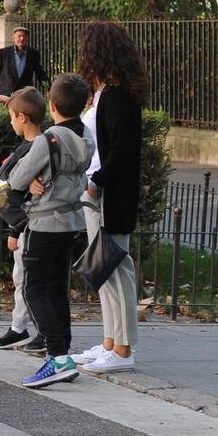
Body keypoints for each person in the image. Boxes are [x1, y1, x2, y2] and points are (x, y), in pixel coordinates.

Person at [5, 73, 94, 389]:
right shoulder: (87, 138)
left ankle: (57, 357)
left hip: (44, 223)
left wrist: (30, 178)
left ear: (52, 105)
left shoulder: (48, 140)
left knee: (33, 289)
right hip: (72, 222)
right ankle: (62, 354)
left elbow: (16, 179)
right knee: (57, 288)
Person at [71, 21, 148, 374]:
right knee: (104, 270)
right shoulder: (103, 93)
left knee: (117, 269)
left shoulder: (117, 96)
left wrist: (96, 182)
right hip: (97, 189)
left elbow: (122, 152)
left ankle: (123, 348)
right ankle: (109, 342)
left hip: (108, 193)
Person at [0, 87, 47, 353]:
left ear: (22, 118)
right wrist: (7, 101)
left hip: (25, 227)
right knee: (23, 279)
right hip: (21, 225)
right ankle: (21, 326)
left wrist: (15, 229)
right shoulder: (31, 144)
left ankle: (35, 330)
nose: (10, 121)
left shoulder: (34, 150)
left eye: (12, 116)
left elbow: (22, 195)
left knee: (28, 281)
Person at [0, 25, 49, 109]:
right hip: (5, 93)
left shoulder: (33, 54)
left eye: (24, 36)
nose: (22, 38)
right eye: (19, 36)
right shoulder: (3, 53)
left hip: (24, 94)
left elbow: (39, 72)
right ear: (14, 38)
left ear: (28, 38)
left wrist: (48, 88)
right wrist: (3, 83)